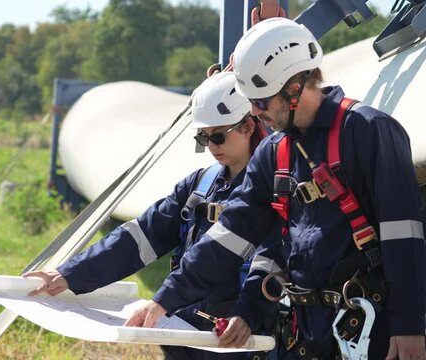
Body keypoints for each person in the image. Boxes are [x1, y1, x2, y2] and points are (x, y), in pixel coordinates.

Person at [125, 18, 426, 360]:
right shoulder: (274, 153)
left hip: (368, 329)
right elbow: (231, 233)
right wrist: (165, 299)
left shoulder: (369, 131)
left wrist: (409, 326)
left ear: (295, 88)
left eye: (261, 101)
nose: (254, 111)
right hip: (303, 331)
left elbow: (404, 238)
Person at [24, 72, 271, 360]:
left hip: (238, 339)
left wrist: (246, 314)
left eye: (218, 136)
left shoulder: (270, 190)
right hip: (185, 333)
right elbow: (141, 236)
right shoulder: (199, 186)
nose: (212, 146)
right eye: (203, 137)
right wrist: (71, 274)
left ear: (248, 126)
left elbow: (271, 263)